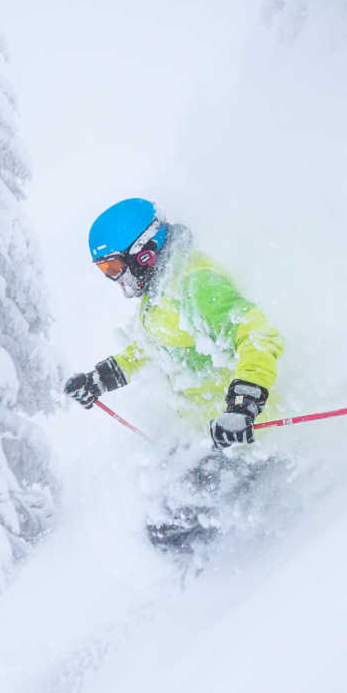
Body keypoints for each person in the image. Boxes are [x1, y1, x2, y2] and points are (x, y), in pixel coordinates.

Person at [64, 197, 286, 552]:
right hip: (206, 434)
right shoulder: (159, 290)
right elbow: (150, 348)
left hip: (246, 437)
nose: (113, 278)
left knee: (170, 527)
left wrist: (243, 406)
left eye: (113, 266)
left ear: (143, 252)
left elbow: (258, 336)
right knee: (162, 520)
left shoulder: (196, 284)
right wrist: (100, 379)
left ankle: (257, 586)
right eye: (105, 270)